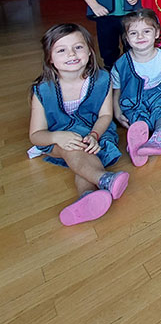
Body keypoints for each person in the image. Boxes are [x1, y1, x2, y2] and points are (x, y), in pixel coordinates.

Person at [28, 24, 128, 226]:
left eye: (78, 47)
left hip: (95, 132)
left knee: (86, 152)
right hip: (56, 138)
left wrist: (94, 135)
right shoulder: (42, 90)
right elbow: (36, 135)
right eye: (61, 50)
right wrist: (57, 137)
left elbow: (105, 115)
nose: (71, 54)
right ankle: (104, 178)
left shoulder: (102, 79)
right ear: (50, 58)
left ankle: (86, 197)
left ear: (90, 52)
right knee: (72, 148)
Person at [112, 10, 161, 166]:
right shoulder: (121, 64)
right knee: (135, 115)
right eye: (134, 33)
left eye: (146, 31)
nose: (140, 37)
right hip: (132, 97)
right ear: (126, 38)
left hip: (158, 95)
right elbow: (117, 90)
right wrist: (117, 112)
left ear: (156, 33)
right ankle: (137, 144)